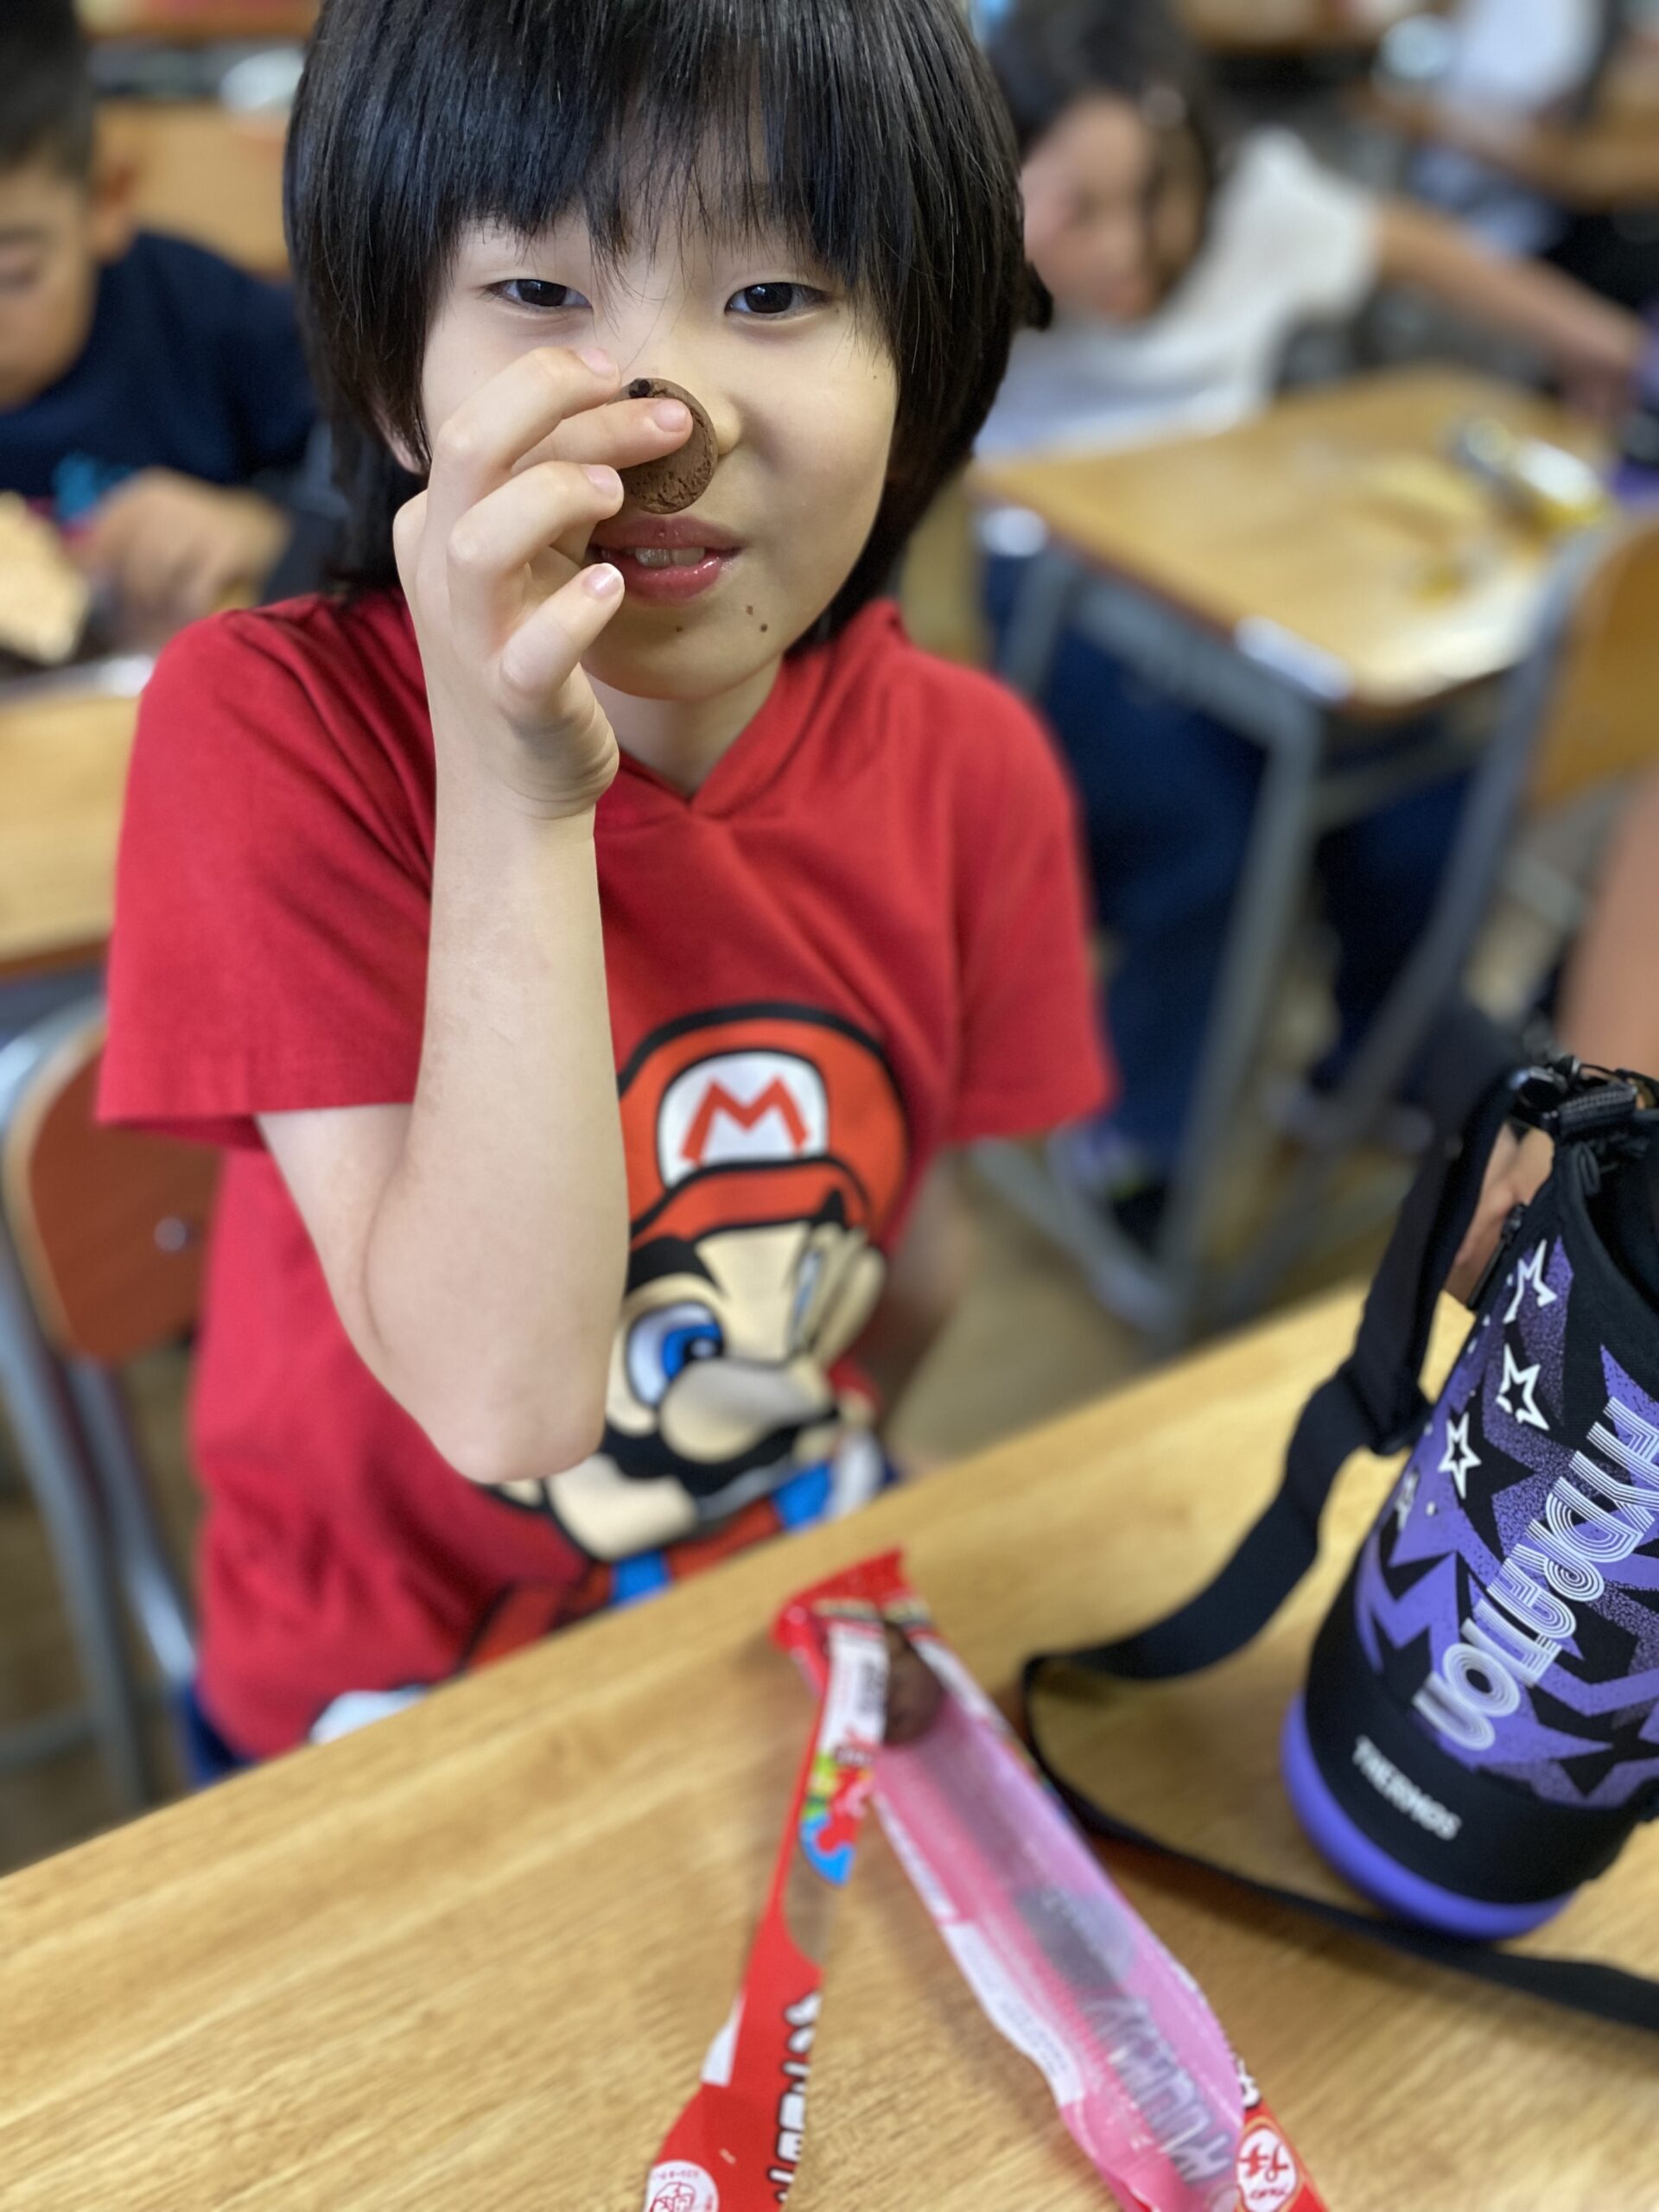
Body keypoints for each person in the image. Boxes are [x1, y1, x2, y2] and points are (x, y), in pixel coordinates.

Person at [99, 0, 1108, 1770]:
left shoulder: (975, 768)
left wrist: (818, 1480)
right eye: (539, 290)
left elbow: (915, 1258)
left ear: (923, 368)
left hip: (757, 1608)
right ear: (394, 368)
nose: (661, 416)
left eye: (775, 292)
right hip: (385, 1692)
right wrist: (515, 780)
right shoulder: (267, 725)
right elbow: (507, 1401)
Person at [978, 0, 1647, 1248]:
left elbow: (1415, 243)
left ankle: (1364, 1069)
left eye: (1154, 198)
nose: (1121, 247)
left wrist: (1608, 346)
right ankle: (1137, 1127)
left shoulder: (1256, 204)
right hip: (1057, 585)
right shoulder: (967, 259)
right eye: (1074, 209)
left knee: (1430, 794)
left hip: (1243, 585)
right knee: (1206, 838)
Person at [0, 0, 316, 645]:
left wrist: (264, 530)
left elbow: (374, 478)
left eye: (14, 276)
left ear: (106, 196)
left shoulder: (205, 316)